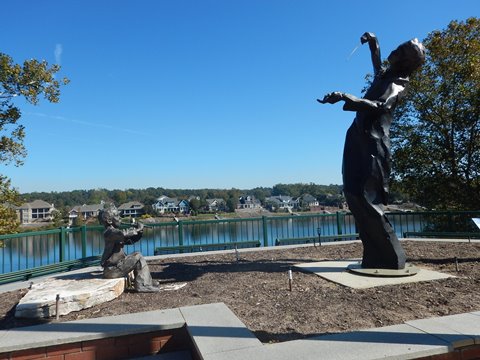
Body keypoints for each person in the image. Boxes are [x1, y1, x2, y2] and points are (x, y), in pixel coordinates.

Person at [318, 32, 425, 269]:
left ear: (406, 61)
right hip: (356, 135)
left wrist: (347, 97)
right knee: (351, 192)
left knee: (366, 198)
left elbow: (380, 105)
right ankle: (373, 253)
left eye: (402, 50)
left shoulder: (398, 84)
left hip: (373, 144)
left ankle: (390, 255)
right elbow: (378, 66)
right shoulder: (387, 75)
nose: (396, 50)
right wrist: (374, 43)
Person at [98, 205, 160, 292]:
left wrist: (139, 232)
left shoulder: (114, 233)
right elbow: (123, 234)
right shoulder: (109, 233)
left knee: (137, 255)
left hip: (117, 266)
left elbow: (129, 241)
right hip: (112, 270)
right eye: (117, 216)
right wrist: (137, 229)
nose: (120, 218)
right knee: (138, 257)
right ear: (109, 220)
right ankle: (142, 285)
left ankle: (146, 282)